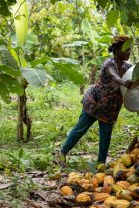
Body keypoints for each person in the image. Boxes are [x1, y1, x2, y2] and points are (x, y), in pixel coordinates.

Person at [57, 35, 133, 166]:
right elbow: (114, 76)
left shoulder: (128, 67)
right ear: (115, 49)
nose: (128, 51)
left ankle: (100, 163)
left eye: (130, 49)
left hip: (110, 108)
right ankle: (63, 152)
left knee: (106, 136)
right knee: (81, 128)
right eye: (125, 49)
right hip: (95, 102)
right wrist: (123, 82)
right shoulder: (109, 64)